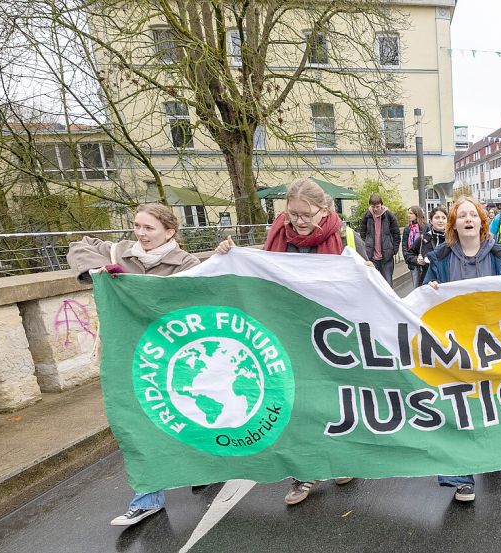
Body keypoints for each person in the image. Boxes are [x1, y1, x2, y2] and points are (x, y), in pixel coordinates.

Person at [216, 178, 358, 503]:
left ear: (323, 210)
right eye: (293, 213)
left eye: (306, 214)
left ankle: (340, 459)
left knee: (332, 403)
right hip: (288, 335)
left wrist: (362, 271)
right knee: (296, 405)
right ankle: (304, 474)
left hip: (330, 336)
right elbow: (260, 274)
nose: (298, 221)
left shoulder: (345, 238)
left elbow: (365, 289)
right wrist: (229, 254)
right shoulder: (277, 236)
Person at [68, 203, 200, 527]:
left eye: (149, 228)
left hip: (172, 357)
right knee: (139, 425)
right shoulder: (119, 252)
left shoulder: (187, 264)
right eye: (137, 226)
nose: (140, 234)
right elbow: (78, 246)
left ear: (170, 232)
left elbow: (192, 301)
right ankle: (147, 498)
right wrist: (97, 273)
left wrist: (135, 285)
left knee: (190, 415)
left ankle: (204, 466)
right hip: (128, 356)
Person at [423, 196, 501, 502]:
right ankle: (462, 475)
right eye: (460, 215)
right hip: (456, 347)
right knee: (460, 404)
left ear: (481, 222)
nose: (467, 219)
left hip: (493, 344)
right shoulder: (440, 258)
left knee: (491, 401)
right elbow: (423, 298)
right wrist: (430, 290)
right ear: (454, 224)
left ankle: (494, 451)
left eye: (472, 215)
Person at [358, 194, 400, 285]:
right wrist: (367, 245)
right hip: (372, 258)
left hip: (387, 258)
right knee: (373, 285)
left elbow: (396, 234)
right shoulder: (367, 215)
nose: (375, 209)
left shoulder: (389, 215)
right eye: (373, 206)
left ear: (381, 205)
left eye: (377, 206)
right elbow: (362, 232)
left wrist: (393, 250)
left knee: (388, 284)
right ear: (370, 205)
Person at [409, 206, 449, 286]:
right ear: (431, 221)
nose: (440, 221)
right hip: (427, 283)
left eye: (443, 218)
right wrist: (416, 259)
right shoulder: (423, 239)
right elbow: (409, 254)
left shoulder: (452, 240)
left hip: (447, 283)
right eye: (437, 217)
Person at [401, 205, 426, 286]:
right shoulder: (407, 229)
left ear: (417, 214)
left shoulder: (426, 227)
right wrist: (409, 259)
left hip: (425, 262)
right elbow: (404, 246)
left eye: (411, 213)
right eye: (408, 213)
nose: (408, 215)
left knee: (426, 285)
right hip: (413, 261)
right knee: (416, 286)